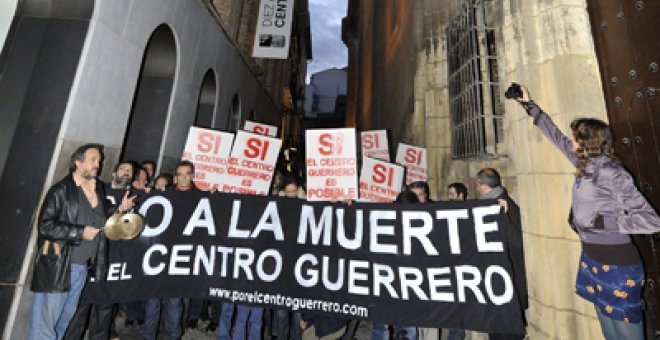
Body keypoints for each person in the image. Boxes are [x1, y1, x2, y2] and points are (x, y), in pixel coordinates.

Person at [514, 84, 660, 340]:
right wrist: (528, 104)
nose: (570, 141)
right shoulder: (585, 164)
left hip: (618, 264)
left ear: (586, 141)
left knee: (627, 334)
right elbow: (556, 137)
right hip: (593, 259)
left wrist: (603, 222)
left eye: (575, 137)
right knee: (609, 333)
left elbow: (651, 220)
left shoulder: (613, 173)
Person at [28, 144, 135, 340]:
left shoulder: (99, 189)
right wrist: (80, 232)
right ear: (78, 162)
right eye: (93, 160)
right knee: (45, 325)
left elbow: (102, 218)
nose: (98, 163)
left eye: (99, 160)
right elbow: (45, 226)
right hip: (59, 266)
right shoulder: (61, 190)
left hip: (82, 267)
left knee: (64, 321)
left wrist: (120, 208)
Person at [140, 161, 198, 340]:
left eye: (187, 174)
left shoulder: (201, 197)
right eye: (180, 174)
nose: (183, 178)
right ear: (175, 177)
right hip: (160, 252)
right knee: (153, 297)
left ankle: (173, 335)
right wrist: (149, 193)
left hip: (182, 255)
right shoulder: (165, 194)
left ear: (192, 176)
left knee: (174, 300)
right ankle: (147, 335)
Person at [474, 168, 527, 340]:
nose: (476, 188)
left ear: (484, 187)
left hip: (508, 283)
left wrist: (501, 217)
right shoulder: (487, 205)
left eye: (478, 185)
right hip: (495, 284)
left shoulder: (506, 206)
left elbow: (518, 242)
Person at [441, 182, 469, 340]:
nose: (449, 197)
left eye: (452, 194)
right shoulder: (444, 211)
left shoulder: (471, 211)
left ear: (461, 195)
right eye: (448, 194)